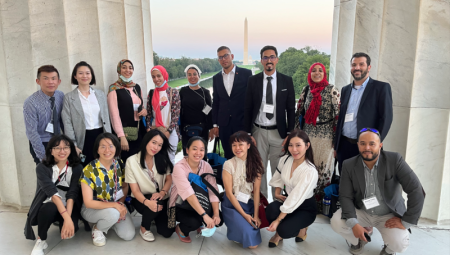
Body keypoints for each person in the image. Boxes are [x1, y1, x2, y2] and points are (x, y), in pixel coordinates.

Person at [331, 128, 425, 255]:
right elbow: (345, 196)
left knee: (399, 244)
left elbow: (416, 190)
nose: (367, 147)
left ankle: (389, 249)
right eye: (363, 143)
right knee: (337, 221)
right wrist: (354, 224)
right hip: (362, 211)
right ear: (358, 145)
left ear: (380, 145)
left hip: (389, 214)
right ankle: (358, 241)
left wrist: (406, 221)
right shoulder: (349, 165)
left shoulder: (394, 160)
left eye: (372, 144)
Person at [243, 45, 296, 198]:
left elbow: (291, 109)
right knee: (259, 170)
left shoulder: (287, 81)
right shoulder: (253, 81)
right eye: (265, 57)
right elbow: (248, 107)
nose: (269, 60)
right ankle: (262, 204)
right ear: (261, 61)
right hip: (258, 132)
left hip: (278, 134)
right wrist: (247, 133)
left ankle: (276, 204)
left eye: (272, 57)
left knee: (277, 170)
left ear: (277, 60)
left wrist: (289, 134)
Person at [334, 52, 393, 175]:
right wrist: (336, 146)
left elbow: (386, 118)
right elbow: (341, 119)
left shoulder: (381, 88)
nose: (357, 68)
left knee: (364, 182)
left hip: (365, 147)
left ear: (369, 67)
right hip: (344, 146)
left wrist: (374, 144)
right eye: (354, 65)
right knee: (345, 180)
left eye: (361, 64)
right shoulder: (345, 90)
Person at [25, 134, 83, 255]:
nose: (62, 151)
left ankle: (62, 222)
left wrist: (68, 219)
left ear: (71, 149)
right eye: (57, 148)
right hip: (50, 203)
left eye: (66, 147)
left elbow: (72, 193)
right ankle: (41, 240)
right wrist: (67, 219)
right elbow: (52, 194)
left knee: (71, 233)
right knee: (49, 208)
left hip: (68, 205)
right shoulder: (42, 168)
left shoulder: (77, 168)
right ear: (51, 151)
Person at [294, 62, 340, 213]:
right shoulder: (306, 89)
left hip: (326, 137)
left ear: (324, 73)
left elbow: (338, 116)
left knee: (324, 170)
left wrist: (336, 141)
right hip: (308, 136)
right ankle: (307, 202)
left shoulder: (332, 90)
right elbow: (298, 111)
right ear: (310, 73)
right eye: (314, 70)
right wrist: (295, 136)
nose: (317, 73)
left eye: (320, 70)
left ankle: (322, 206)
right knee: (307, 167)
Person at [265, 129, 318, 248]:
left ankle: (300, 227)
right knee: (270, 209)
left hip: (305, 207)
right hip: (288, 200)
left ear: (307, 145)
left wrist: (278, 220)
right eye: (291, 145)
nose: (294, 149)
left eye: (298, 145)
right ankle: (279, 233)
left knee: (285, 230)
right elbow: (278, 176)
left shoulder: (309, 171)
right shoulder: (285, 160)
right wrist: (277, 193)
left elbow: (295, 198)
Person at [80, 133, 135, 246]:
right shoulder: (89, 169)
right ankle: (97, 228)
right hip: (92, 209)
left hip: (115, 204)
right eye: (103, 146)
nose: (107, 150)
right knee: (113, 214)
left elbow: (125, 186)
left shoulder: (120, 165)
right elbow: (88, 202)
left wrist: (120, 204)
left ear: (116, 148)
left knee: (128, 235)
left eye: (111, 146)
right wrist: (115, 206)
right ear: (97, 150)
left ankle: (109, 221)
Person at [168, 137, 222, 243]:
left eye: (202, 150)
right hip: (181, 204)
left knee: (220, 219)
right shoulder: (179, 167)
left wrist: (215, 213)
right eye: (194, 149)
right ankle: (181, 230)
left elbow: (213, 190)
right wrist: (204, 216)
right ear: (187, 150)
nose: (198, 153)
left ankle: (200, 220)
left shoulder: (206, 166)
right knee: (194, 222)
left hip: (200, 200)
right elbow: (188, 194)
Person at [125, 130, 175, 241]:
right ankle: (144, 227)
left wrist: (162, 192)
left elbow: (168, 179)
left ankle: (154, 214)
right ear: (146, 141)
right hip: (141, 198)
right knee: (155, 205)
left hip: (162, 197)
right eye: (154, 142)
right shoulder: (131, 161)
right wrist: (148, 202)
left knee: (167, 232)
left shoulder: (162, 158)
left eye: (159, 145)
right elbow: (135, 190)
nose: (156, 147)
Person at [62, 61, 111, 167]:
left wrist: (109, 138)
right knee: (86, 169)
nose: (84, 76)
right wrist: (73, 144)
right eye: (80, 73)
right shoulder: (69, 98)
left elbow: (106, 117)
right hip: (83, 139)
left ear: (91, 75)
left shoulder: (100, 94)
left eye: (88, 73)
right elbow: (67, 122)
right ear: (75, 76)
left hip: (101, 135)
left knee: (103, 166)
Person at [222, 131, 264, 248]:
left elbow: (256, 192)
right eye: (234, 145)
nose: (237, 148)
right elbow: (229, 194)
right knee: (252, 245)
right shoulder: (228, 164)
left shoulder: (257, 164)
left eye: (241, 144)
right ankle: (237, 229)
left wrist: (255, 215)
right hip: (231, 204)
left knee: (254, 244)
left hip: (248, 203)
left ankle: (240, 228)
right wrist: (245, 216)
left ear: (248, 145)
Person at [211, 46, 252, 159]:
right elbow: (216, 101)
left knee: (244, 155)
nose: (224, 59)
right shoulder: (216, 78)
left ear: (232, 56)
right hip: (224, 124)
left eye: (226, 55)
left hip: (242, 122)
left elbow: (251, 99)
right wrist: (215, 124)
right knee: (229, 155)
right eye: (220, 57)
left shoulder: (246, 73)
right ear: (218, 60)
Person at [107, 59, 147, 162]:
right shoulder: (114, 89)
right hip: (125, 133)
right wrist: (121, 136)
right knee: (128, 162)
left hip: (139, 131)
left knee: (141, 161)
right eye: (124, 67)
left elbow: (141, 105)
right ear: (119, 70)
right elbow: (114, 115)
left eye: (130, 68)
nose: (127, 70)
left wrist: (144, 111)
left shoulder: (136, 87)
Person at [24, 65, 64, 164]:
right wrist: (43, 157)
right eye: (45, 78)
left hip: (60, 142)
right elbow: (32, 132)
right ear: (38, 81)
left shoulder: (61, 96)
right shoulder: (31, 102)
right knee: (47, 176)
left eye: (53, 78)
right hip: (42, 142)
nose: (50, 82)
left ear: (59, 81)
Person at [146, 65, 180, 164]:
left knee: (170, 159)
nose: (156, 79)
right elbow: (149, 114)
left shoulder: (173, 92)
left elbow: (175, 115)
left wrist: (168, 132)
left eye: (158, 76)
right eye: (153, 77)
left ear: (164, 75)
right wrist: (148, 129)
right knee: (156, 159)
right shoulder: (151, 93)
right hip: (155, 130)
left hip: (170, 131)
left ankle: (171, 179)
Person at [179, 64, 213, 155]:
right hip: (186, 129)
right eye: (189, 74)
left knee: (201, 155)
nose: (192, 77)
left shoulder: (205, 92)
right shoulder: (183, 91)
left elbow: (209, 111)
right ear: (186, 77)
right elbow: (179, 110)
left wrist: (211, 128)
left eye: (194, 74)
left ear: (199, 75)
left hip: (202, 129)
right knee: (188, 155)